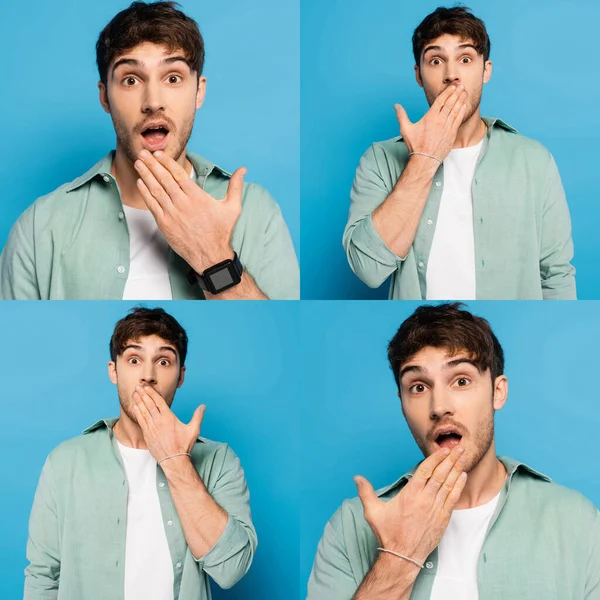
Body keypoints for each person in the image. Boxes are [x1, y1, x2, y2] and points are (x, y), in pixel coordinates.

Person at [1, 1, 299, 300]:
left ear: (199, 91)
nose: (153, 101)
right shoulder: (39, 228)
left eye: (173, 78)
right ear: (105, 97)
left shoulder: (258, 213)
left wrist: (213, 255)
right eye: (131, 80)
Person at [307, 303, 599, 599]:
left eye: (461, 381)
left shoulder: (578, 523)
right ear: (402, 403)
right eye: (419, 387)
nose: (438, 407)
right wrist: (398, 557)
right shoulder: (350, 527)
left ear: (497, 392)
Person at [343, 6, 575, 300]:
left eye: (465, 59)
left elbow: (556, 275)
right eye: (436, 60)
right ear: (418, 75)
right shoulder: (380, 159)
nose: (451, 75)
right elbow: (368, 269)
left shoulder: (535, 160)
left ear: (485, 70)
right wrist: (423, 160)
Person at [24, 307, 256, 600]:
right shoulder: (64, 462)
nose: (148, 376)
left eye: (163, 361)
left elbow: (231, 569)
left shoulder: (218, 460)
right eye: (134, 359)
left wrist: (176, 462)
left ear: (181, 376)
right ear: (114, 371)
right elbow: (43, 576)